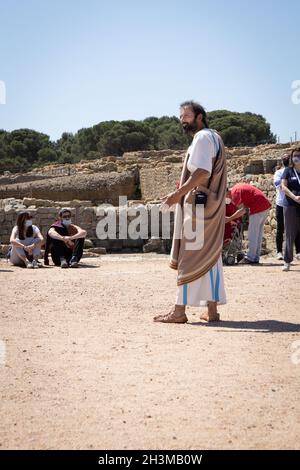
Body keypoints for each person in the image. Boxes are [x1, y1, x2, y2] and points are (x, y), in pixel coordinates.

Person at [154, 100, 227, 323]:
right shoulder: (215, 137)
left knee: (189, 256)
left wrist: (177, 195)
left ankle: (179, 311)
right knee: (211, 256)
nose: (182, 120)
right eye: (180, 116)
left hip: (197, 208)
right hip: (211, 207)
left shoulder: (202, 137)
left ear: (199, 117)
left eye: (186, 115)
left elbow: (202, 173)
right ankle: (212, 311)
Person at [226, 183, 271, 264]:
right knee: (258, 234)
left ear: (226, 192)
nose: (227, 198)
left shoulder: (234, 193)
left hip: (258, 207)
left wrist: (229, 218)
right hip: (265, 205)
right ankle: (255, 257)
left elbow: (242, 211)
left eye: (225, 196)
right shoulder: (237, 188)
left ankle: (250, 258)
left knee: (252, 234)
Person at [274, 153, 300, 260]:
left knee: (297, 229)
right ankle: (279, 251)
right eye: (283, 157)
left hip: (294, 203)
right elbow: (279, 186)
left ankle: (298, 251)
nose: (285, 158)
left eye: (286, 157)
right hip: (282, 203)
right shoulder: (280, 172)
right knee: (281, 228)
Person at [281, 147, 300, 271]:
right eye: (294, 155)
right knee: (289, 233)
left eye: (298, 155)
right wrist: (294, 197)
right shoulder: (288, 171)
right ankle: (287, 261)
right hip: (290, 205)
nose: (296, 157)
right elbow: (283, 186)